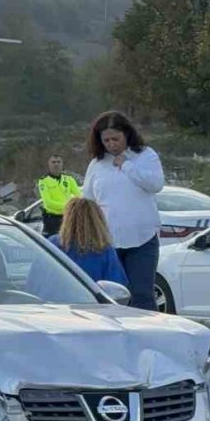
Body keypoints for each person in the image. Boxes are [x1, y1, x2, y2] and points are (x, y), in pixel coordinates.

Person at [83, 111, 164, 311]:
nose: (111, 144)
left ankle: (148, 336)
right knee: (110, 295)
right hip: (107, 242)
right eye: (106, 140)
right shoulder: (96, 164)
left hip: (142, 239)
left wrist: (127, 166)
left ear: (126, 134)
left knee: (142, 293)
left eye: (115, 139)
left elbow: (155, 184)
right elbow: (88, 201)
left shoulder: (146, 155)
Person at [49, 198, 127, 285]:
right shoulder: (103, 250)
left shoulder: (52, 245)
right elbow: (117, 286)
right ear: (98, 219)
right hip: (90, 298)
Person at [37, 155, 82, 237]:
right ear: (49, 164)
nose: (56, 164)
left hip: (67, 218)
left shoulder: (69, 179)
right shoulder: (44, 181)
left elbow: (80, 197)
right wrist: (69, 206)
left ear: (62, 164)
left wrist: (73, 207)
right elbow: (48, 203)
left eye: (58, 162)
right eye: (53, 162)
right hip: (52, 220)